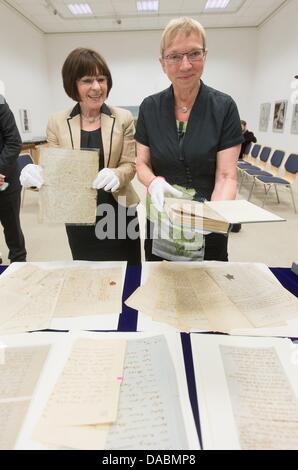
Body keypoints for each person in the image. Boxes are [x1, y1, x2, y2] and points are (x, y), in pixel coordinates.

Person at [135, 17, 243, 262]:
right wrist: (153, 182)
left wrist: (213, 217)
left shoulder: (223, 107)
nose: (185, 65)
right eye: (174, 56)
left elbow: (226, 175)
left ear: (205, 56)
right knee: (159, 287)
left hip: (208, 219)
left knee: (208, 290)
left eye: (194, 53)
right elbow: (141, 163)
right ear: (162, 63)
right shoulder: (149, 108)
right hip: (162, 219)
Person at [20, 48, 140, 264]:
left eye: (101, 79)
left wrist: (117, 174)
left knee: (128, 274)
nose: (96, 87)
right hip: (79, 217)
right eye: (87, 80)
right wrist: (35, 177)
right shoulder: (57, 122)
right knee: (87, 275)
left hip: (119, 212)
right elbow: (53, 173)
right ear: (73, 84)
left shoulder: (123, 118)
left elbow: (129, 164)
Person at [0, 94, 27, 263]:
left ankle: (19, 263)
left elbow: (14, 142)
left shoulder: (0, 103)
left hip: (6, 179)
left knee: (12, 229)